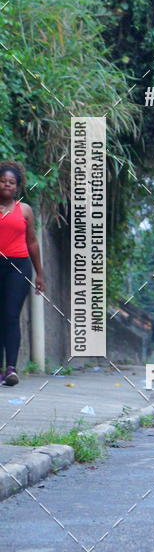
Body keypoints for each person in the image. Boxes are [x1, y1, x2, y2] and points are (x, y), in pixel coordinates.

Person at [0, 161, 45, 386]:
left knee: (10, 315)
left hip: (18, 267)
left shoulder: (24, 210)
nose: (7, 185)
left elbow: (32, 242)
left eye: (11, 182)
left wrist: (40, 274)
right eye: (2, 181)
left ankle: (11, 369)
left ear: (17, 187)